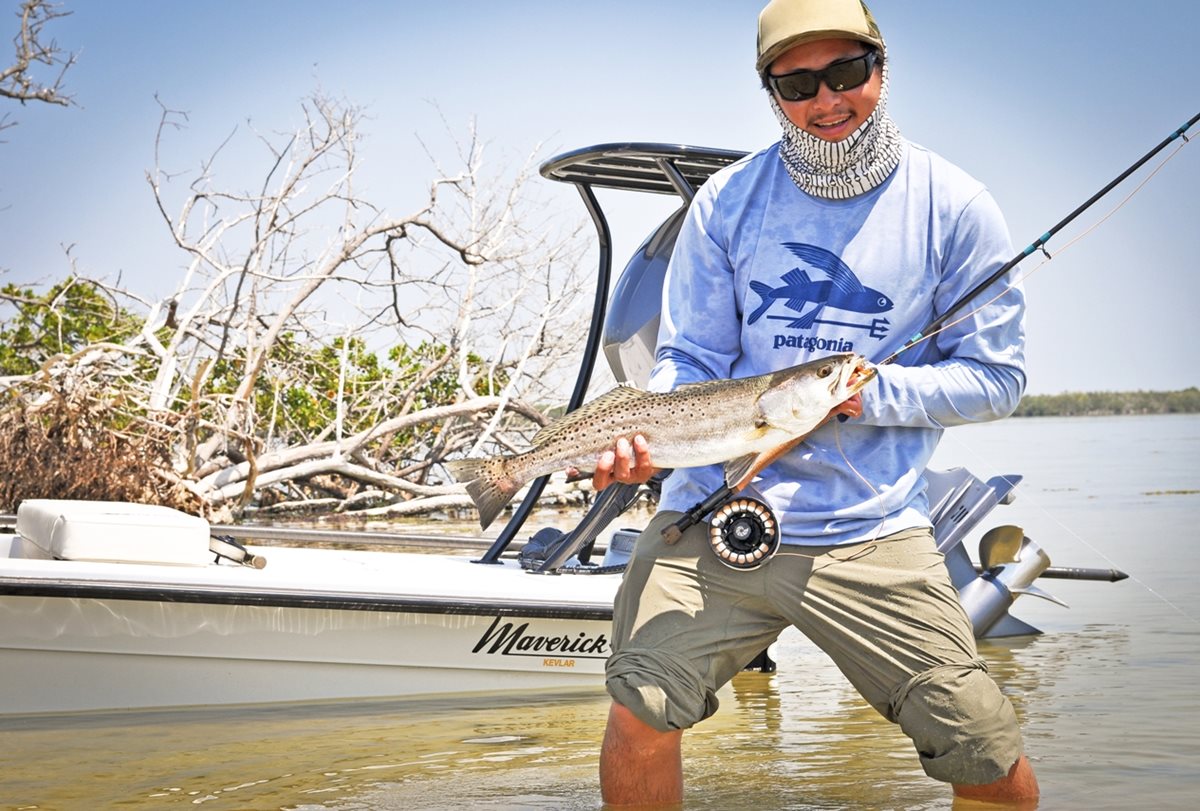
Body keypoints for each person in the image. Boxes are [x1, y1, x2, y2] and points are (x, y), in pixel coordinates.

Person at [591, 0, 1039, 805]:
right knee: (638, 717)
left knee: (992, 763)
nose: (826, 100)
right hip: (714, 514)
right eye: (797, 83)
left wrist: (864, 394)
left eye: (845, 73)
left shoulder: (958, 207)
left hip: (869, 530)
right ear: (771, 93)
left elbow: (997, 378)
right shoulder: (725, 203)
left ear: (881, 66)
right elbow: (689, 356)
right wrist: (647, 434)